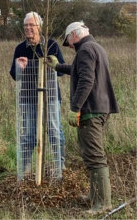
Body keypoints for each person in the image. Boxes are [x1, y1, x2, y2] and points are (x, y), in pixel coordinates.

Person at [48, 21, 119, 215]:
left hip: (91, 110)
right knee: (91, 155)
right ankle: (95, 195)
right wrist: (58, 66)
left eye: (68, 41)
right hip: (99, 108)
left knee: (95, 158)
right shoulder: (95, 47)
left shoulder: (85, 50)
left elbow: (87, 80)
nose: (69, 45)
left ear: (74, 35)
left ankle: (103, 203)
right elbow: (80, 70)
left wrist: (75, 107)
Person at [10, 11, 66, 175]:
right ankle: (26, 169)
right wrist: (19, 68)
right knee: (28, 135)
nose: (28, 28)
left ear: (39, 27)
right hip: (28, 99)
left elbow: (62, 71)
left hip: (50, 97)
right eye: (26, 25)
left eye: (31, 25)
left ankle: (59, 166)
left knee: (55, 132)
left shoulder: (51, 45)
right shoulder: (20, 48)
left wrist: (53, 65)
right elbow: (13, 74)